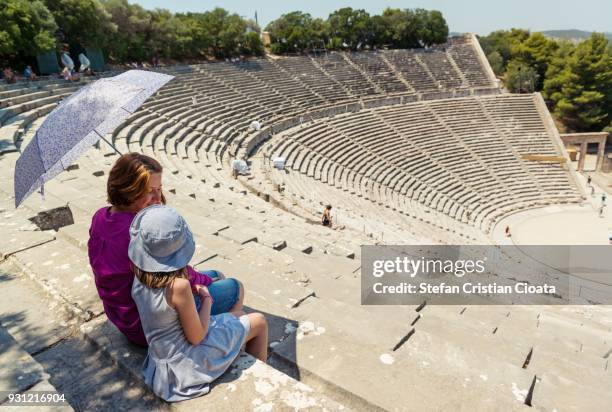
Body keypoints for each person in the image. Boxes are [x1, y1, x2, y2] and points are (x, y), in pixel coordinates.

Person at [88, 153, 244, 346]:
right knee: (235, 287)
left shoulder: (101, 216)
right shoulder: (137, 232)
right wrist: (204, 281)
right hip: (145, 325)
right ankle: (213, 342)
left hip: (122, 314)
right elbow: (179, 275)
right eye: (149, 191)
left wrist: (203, 279)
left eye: (159, 189)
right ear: (128, 190)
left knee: (216, 275)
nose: (158, 198)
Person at [129, 205, 268, 402]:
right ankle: (259, 386)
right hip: (185, 367)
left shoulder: (139, 275)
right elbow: (196, 337)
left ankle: (236, 354)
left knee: (239, 315)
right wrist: (207, 299)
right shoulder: (178, 286)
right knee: (259, 321)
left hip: (162, 361)